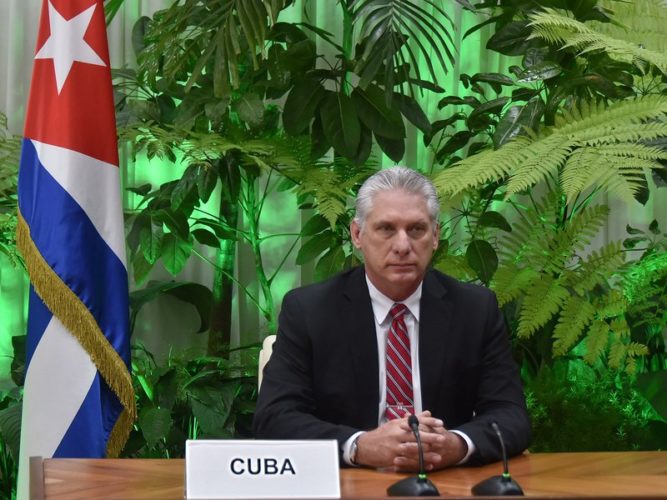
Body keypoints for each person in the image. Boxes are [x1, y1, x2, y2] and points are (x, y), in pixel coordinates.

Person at [253, 166, 530, 471]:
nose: (402, 246)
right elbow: (275, 417)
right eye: (386, 229)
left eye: (416, 229)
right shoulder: (310, 311)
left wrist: (457, 445)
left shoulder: (475, 309)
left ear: (435, 236)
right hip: (351, 482)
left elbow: (511, 415)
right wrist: (359, 446)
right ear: (357, 235)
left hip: (443, 481)